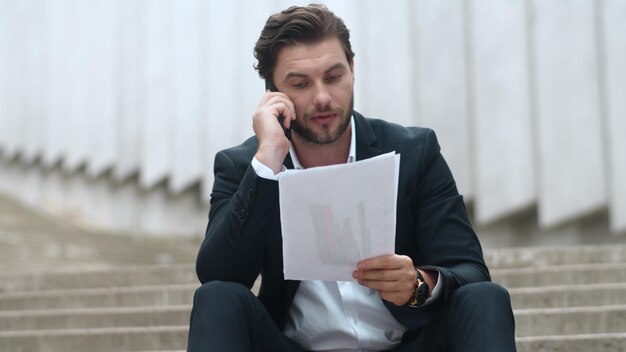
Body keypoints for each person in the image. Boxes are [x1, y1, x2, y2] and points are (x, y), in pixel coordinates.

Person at [188, 4, 516, 352]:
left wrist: (418, 284)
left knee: (485, 297)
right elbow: (219, 278)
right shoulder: (244, 167)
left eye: (334, 76)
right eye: (301, 84)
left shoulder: (415, 152)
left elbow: (470, 270)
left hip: (407, 345)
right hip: (295, 346)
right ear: (273, 94)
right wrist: (269, 160)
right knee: (217, 298)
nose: (323, 97)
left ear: (353, 70)